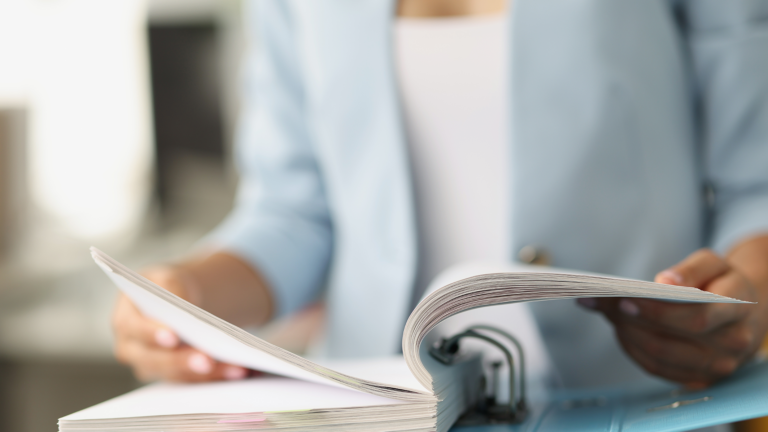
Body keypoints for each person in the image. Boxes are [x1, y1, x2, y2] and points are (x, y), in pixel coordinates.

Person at [113, 0, 768, 396]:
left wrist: (747, 300)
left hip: (638, 401)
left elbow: (756, 184)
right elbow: (296, 212)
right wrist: (187, 300)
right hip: (384, 410)